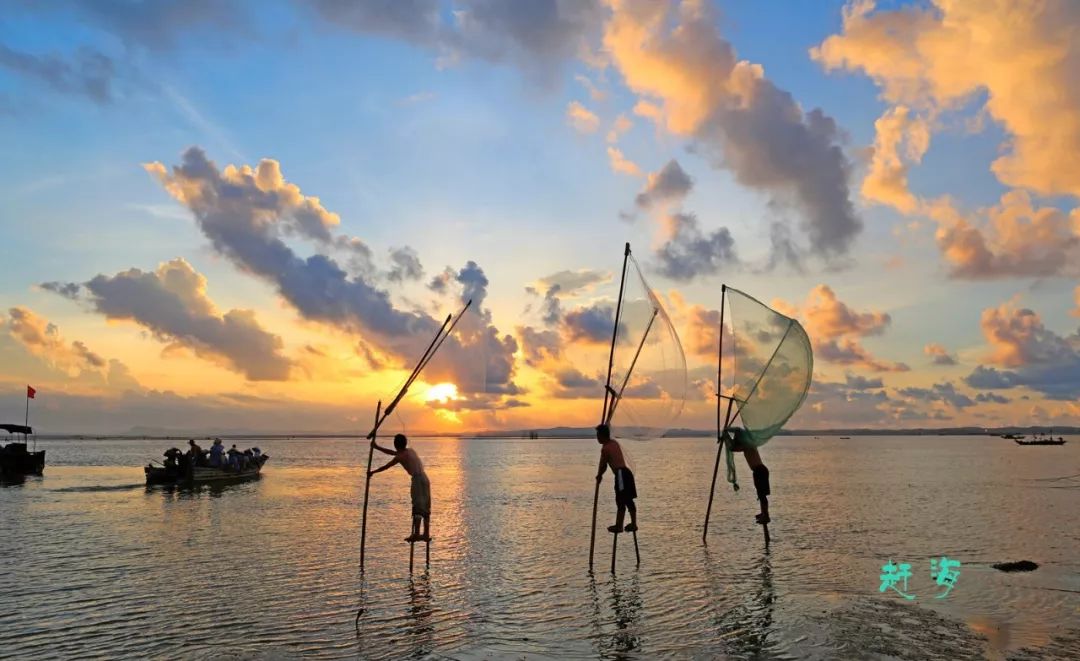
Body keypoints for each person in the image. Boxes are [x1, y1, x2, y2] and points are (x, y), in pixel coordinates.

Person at [369, 433, 430, 542]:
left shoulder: (400, 456)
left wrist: (373, 472)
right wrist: (377, 447)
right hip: (425, 479)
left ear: (396, 444)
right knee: (425, 504)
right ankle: (425, 533)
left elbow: (386, 466)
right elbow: (393, 453)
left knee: (417, 505)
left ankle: (416, 534)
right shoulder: (410, 451)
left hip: (417, 480)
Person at [595, 423, 638, 534]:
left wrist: (599, 476)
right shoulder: (614, 443)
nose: (597, 438)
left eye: (598, 435)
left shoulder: (605, 448)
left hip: (620, 474)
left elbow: (603, 466)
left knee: (621, 500)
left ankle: (619, 525)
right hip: (627, 473)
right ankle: (633, 523)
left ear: (602, 436)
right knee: (628, 500)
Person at [727, 427, 771, 525]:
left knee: (762, 495)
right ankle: (764, 513)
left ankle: (766, 516)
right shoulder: (748, 444)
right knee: (760, 494)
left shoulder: (748, 445)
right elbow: (734, 447)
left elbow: (733, 447)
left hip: (760, 470)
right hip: (758, 471)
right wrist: (728, 435)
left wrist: (727, 436)